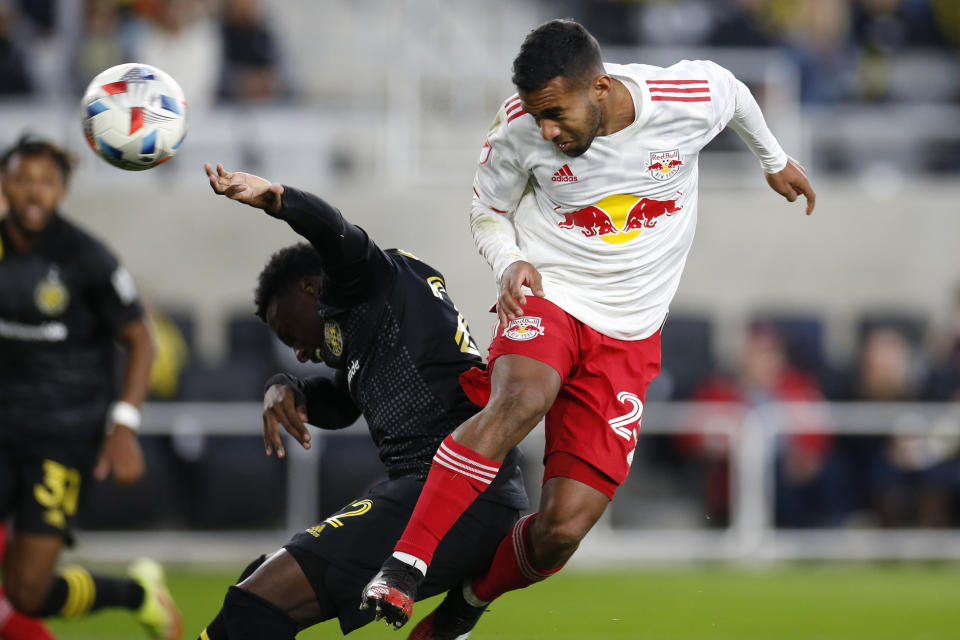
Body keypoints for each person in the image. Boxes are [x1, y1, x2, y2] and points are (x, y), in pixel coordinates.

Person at [362, 18, 816, 639]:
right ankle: (402, 567)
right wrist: (508, 260)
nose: (547, 129)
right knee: (522, 397)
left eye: (557, 113)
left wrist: (773, 158)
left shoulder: (682, 100)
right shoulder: (518, 127)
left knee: (561, 530)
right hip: (552, 294)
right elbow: (487, 209)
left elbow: (734, 92)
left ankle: (464, 607)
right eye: (538, 115)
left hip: (630, 332)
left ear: (600, 88)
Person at [197, 163, 527, 640]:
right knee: (260, 580)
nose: (298, 350)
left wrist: (275, 197)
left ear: (311, 288)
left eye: (289, 331)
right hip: (463, 494)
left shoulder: (366, 277)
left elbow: (336, 233)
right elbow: (342, 400)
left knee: (252, 606)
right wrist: (287, 386)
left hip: (449, 491)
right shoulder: (375, 325)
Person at [0, 136, 179, 638]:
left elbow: (142, 340)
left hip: (61, 438)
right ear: (4, 186)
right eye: (23, 179)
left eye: (47, 182)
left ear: (62, 191)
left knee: (27, 592)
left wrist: (122, 427)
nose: (35, 191)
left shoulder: (86, 257)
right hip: (2, 427)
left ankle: (138, 594)